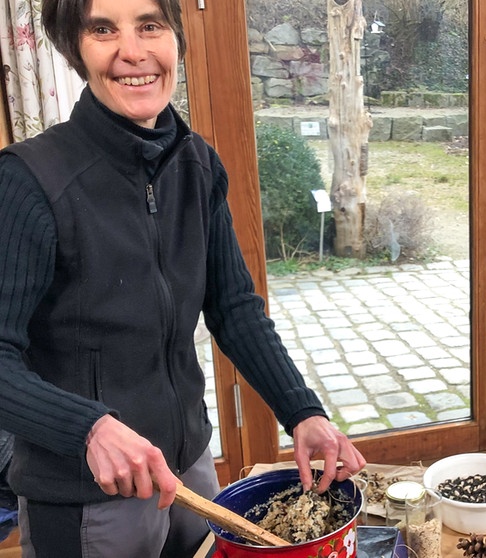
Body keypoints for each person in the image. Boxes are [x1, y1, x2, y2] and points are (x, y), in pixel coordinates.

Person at [0, 0, 366, 555]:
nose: (133, 51)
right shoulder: (29, 180)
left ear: (175, 39)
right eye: (103, 30)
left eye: (150, 26)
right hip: (85, 493)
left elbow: (235, 309)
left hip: (191, 467)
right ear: (76, 49)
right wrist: (89, 429)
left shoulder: (196, 164)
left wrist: (303, 412)